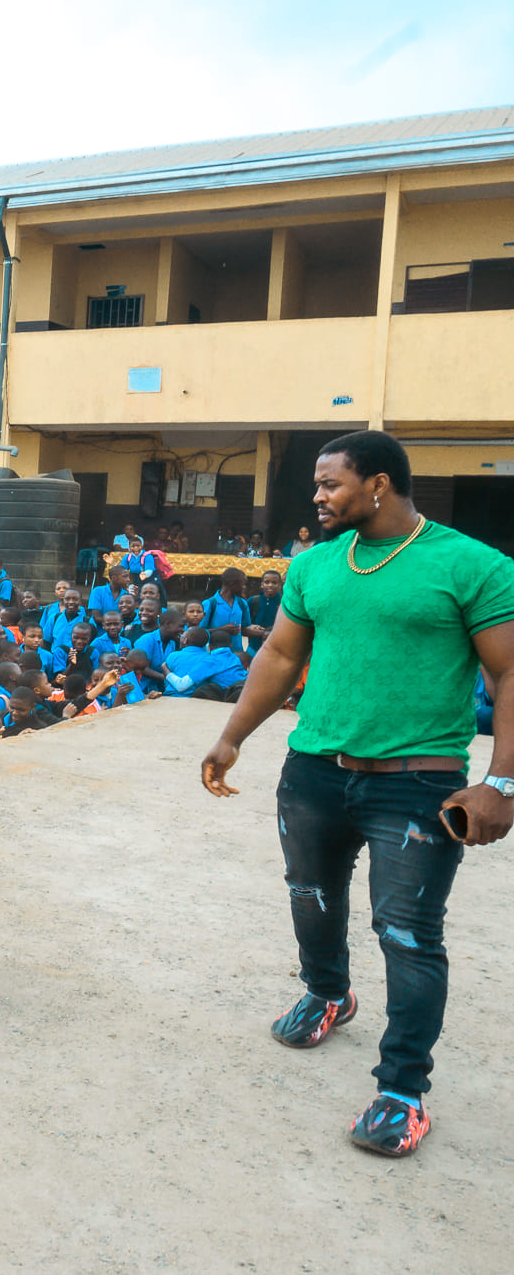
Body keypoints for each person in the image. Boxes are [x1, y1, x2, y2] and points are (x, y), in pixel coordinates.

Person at [203, 430, 514, 1158]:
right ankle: (328, 992)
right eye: (317, 484)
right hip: (314, 770)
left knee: (407, 933)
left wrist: (501, 779)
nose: (316, 496)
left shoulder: (472, 564)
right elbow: (281, 653)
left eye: (330, 483)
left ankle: (403, 1090)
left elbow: (508, 673)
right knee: (310, 895)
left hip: (417, 784)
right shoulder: (316, 564)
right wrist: (232, 736)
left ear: (378, 484)